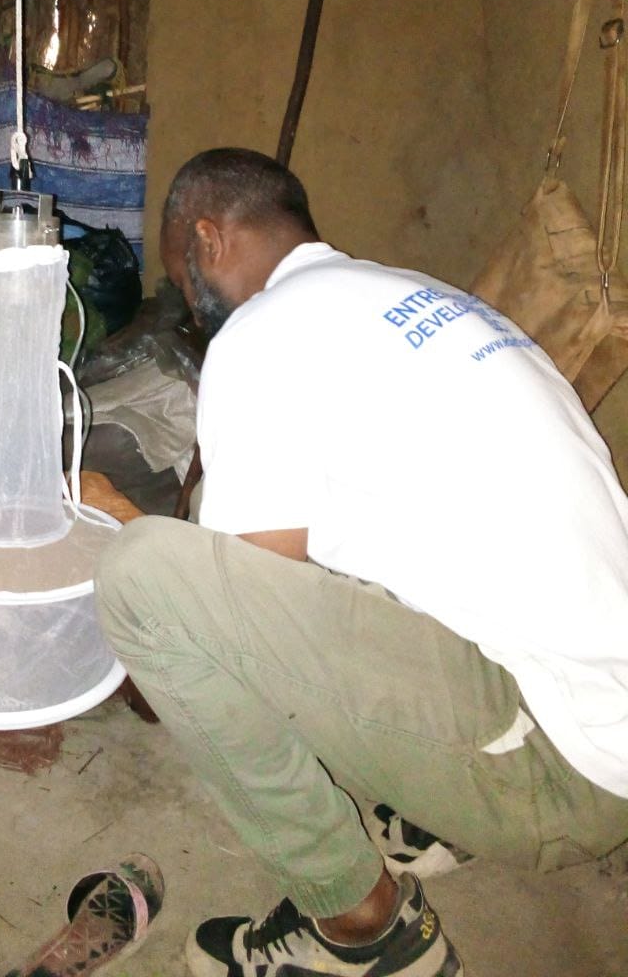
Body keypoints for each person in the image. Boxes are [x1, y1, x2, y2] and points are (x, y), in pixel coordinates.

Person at [94, 147, 628, 977]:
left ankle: (361, 928)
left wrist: (117, 519)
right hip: (598, 716)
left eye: (180, 276)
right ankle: (424, 812)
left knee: (145, 578)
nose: (188, 309)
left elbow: (238, 617)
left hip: (561, 769)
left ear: (208, 237)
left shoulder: (262, 333)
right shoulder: (422, 299)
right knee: (327, 524)